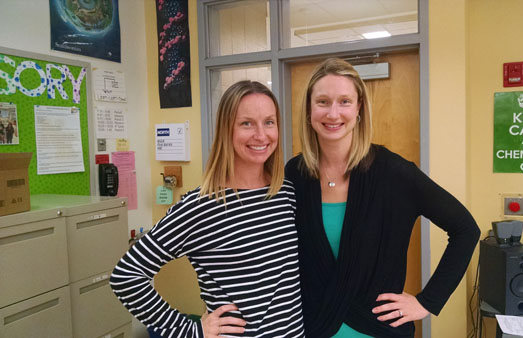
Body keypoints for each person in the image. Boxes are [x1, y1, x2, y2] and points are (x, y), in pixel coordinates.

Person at [285, 58, 480, 338]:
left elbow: (465, 229)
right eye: (323, 102)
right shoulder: (295, 174)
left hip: (377, 330)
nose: (333, 113)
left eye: (344, 101)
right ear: (308, 109)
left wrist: (427, 302)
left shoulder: (394, 173)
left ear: (359, 108)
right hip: (312, 328)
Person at [111, 81, 305, 338]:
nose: (261, 135)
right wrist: (190, 330)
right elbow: (126, 275)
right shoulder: (201, 205)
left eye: (269, 122)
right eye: (247, 123)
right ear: (226, 130)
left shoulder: (286, 193)